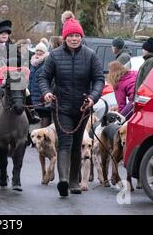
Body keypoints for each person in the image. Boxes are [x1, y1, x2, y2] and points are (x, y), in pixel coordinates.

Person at [38, 17, 104, 197]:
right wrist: (46, 93)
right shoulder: (55, 55)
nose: (74, 39)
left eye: (77, 35)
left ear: (81, 37)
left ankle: (74, 181)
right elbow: (44, 77)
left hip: (83, 108)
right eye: (71, 36)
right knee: (65, 143)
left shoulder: (90, 55)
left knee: (77, 144)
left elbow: (99, 79)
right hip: (62, 107)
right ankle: (64, 180)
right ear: (65, 37)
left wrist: (93, 97)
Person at [0, 19, 40, 133]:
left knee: (26, 92)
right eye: (2, 33)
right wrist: (1, 62)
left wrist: (6, 61)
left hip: (13, 78)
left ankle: (32, 113)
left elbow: (21, 61)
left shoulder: (12, 47)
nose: (5, 35)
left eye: (6, 33)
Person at [29, 42, 51, 127]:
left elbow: (48, 80)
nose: (38, 52)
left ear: (44, 52)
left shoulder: (47, 62)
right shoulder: (33, 63)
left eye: (41, 51)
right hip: (33, 94)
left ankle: (45, 135)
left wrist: (45, 94)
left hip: (42, 94)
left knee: (45, 114)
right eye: (37, 50)